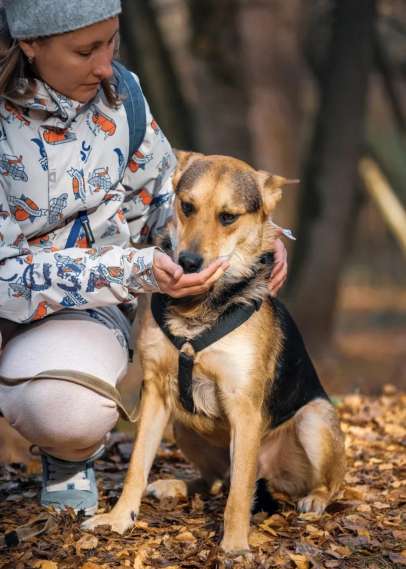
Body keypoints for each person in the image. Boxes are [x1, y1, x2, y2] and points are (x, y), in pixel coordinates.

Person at [0, 0, 288, 516]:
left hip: (74, 310)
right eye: (85, 49)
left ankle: (68, 456)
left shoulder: (122, 96)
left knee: (69, 408)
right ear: (30, 44)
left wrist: (254, 236)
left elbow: (163, 201)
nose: (105, 65)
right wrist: (128, 269)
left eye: (112, 42)